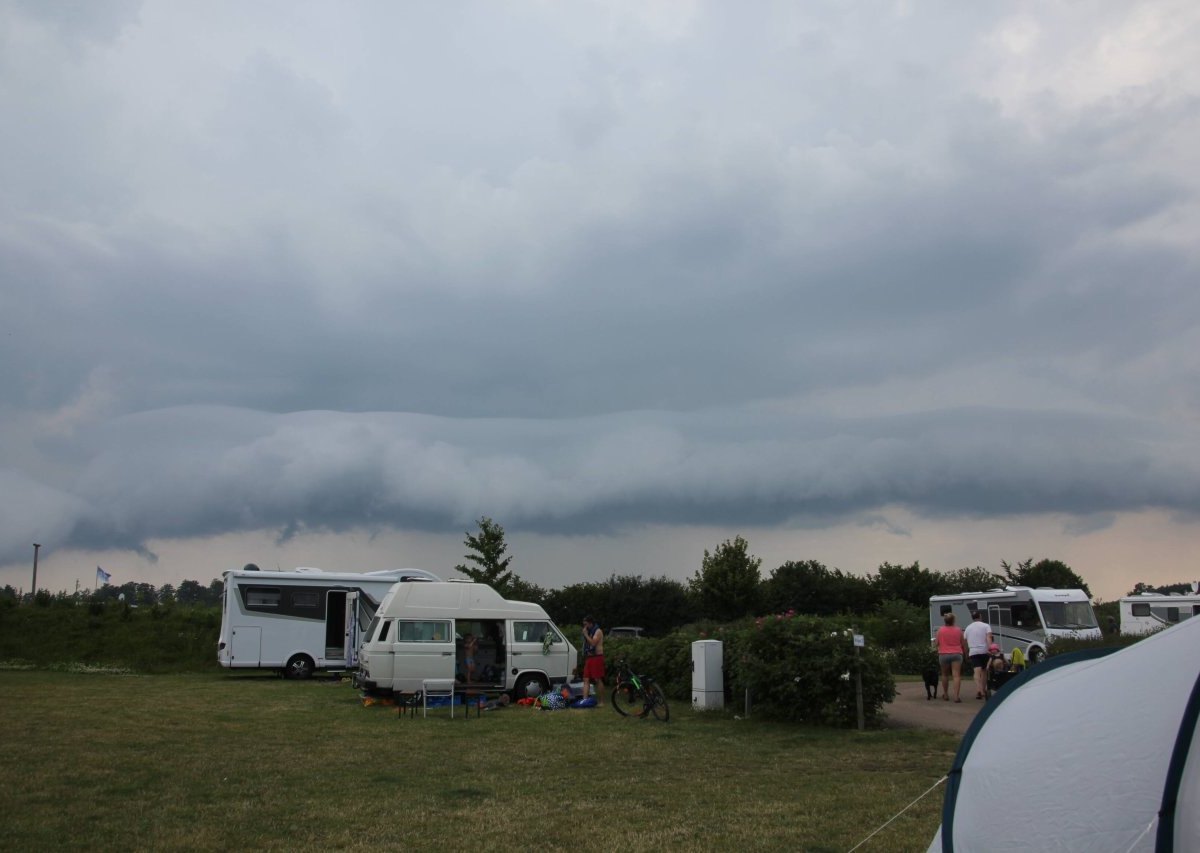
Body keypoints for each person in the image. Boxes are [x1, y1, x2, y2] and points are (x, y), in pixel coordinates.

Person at [936, 611, 967, 702]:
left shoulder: (940, 630)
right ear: (953, 620)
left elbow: (937, 643)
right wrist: (965, 653)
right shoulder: (958, 630)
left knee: (945, 675)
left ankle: (945, 694)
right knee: (956, 675)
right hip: (957, 654)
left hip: (943, 654)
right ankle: (956, 696)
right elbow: (963, 643)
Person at [963, 610, 994, 700]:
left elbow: (965, 642)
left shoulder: (968, 628)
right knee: (984, 671)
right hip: (984, 651)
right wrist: (991, 648)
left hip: (973, 652)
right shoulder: (986, 626)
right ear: (980, 616)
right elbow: (989, 637)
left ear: (972, 618)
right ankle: (983, 690)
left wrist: (966, 652)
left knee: (977, 671)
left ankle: (978, 690)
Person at [581, 616, 605, 706]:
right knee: (586, 679)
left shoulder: (598, 631)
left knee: (597, 679)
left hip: (597, 657)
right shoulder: (589, 631)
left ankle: (602, 702)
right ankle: (584, 700)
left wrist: (586, 634)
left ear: (590, 623)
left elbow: (593, 643)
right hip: (589, 657)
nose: (585, 626)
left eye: (586, 624)